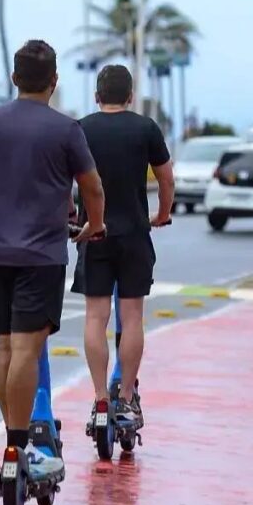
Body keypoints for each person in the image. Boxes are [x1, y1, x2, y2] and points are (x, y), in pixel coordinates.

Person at [0, 40, 106, 478]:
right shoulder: (66, 130)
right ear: (54, 81)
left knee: (4, 347)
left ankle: (11, 445)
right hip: (41, 255)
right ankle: (20, 450)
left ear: (14, 78)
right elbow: (93, 188)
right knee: (25, 349)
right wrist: (94, 225)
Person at [72, 64, 175, 425]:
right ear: (130, 96)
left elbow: (65, 180)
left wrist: (73, 216)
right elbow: (166, 180)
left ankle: (100, 399)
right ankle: (127, 399)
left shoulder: (81, 129)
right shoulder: (146, 128)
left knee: (95, 317)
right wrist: (162, 214)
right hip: (134, 233)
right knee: (131, 318)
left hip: (94, 231)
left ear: (97, 96)